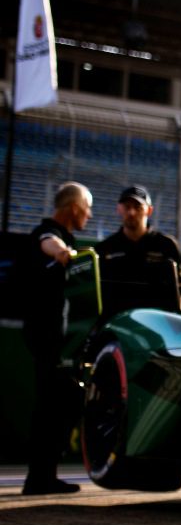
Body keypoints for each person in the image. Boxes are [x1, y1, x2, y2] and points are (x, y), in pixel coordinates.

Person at [22, 181, 92, 495]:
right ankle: (39, 478)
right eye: (87, 208)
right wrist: (63, 253)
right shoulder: (48, 233)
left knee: (63, 401)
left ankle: (42, 475)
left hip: (56, 337)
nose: (89, 215)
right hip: (45, 335)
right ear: (75, 208)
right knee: (53, 403)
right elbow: (47, 242)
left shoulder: (64, 235)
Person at [95, 186, 181, 312]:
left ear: (149, 210)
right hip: (116, 324)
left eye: (138, 207)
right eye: (127, 207)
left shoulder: (167, 245)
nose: (131, 212)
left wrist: (175, 315)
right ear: (119, 209)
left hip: (157, 322)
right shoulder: (105, 248)